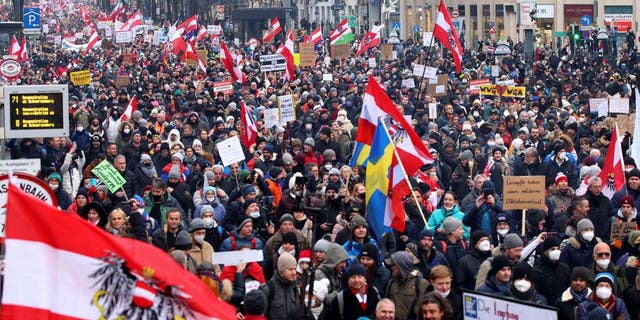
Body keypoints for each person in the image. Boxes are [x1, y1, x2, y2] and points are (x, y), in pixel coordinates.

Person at [385, 251, 429, 320]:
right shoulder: (391, 283)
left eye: (394, 265)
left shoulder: (421, 283)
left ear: (402, 266)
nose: (391, 267)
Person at [259, 253, 301, 320]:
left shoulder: (294, 287)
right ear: (282, 269)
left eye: (295, 269)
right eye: (290, 269)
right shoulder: (268, 289)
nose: (294, 273)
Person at [533, 236, 571, 305]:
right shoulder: (538, 269)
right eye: (553, 249)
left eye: (558, 249)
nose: (556, 252)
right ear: (545, 251)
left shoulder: (564, 268)